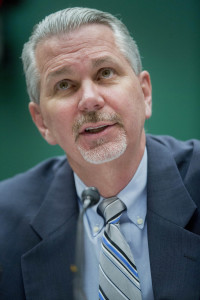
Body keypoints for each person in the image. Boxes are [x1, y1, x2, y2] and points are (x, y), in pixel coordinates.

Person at [0, 7, 199, 300]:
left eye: (105, 73)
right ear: (42, 122)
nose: (90, 100)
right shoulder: (5, 221)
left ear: (144, 94)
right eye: (64, 85)